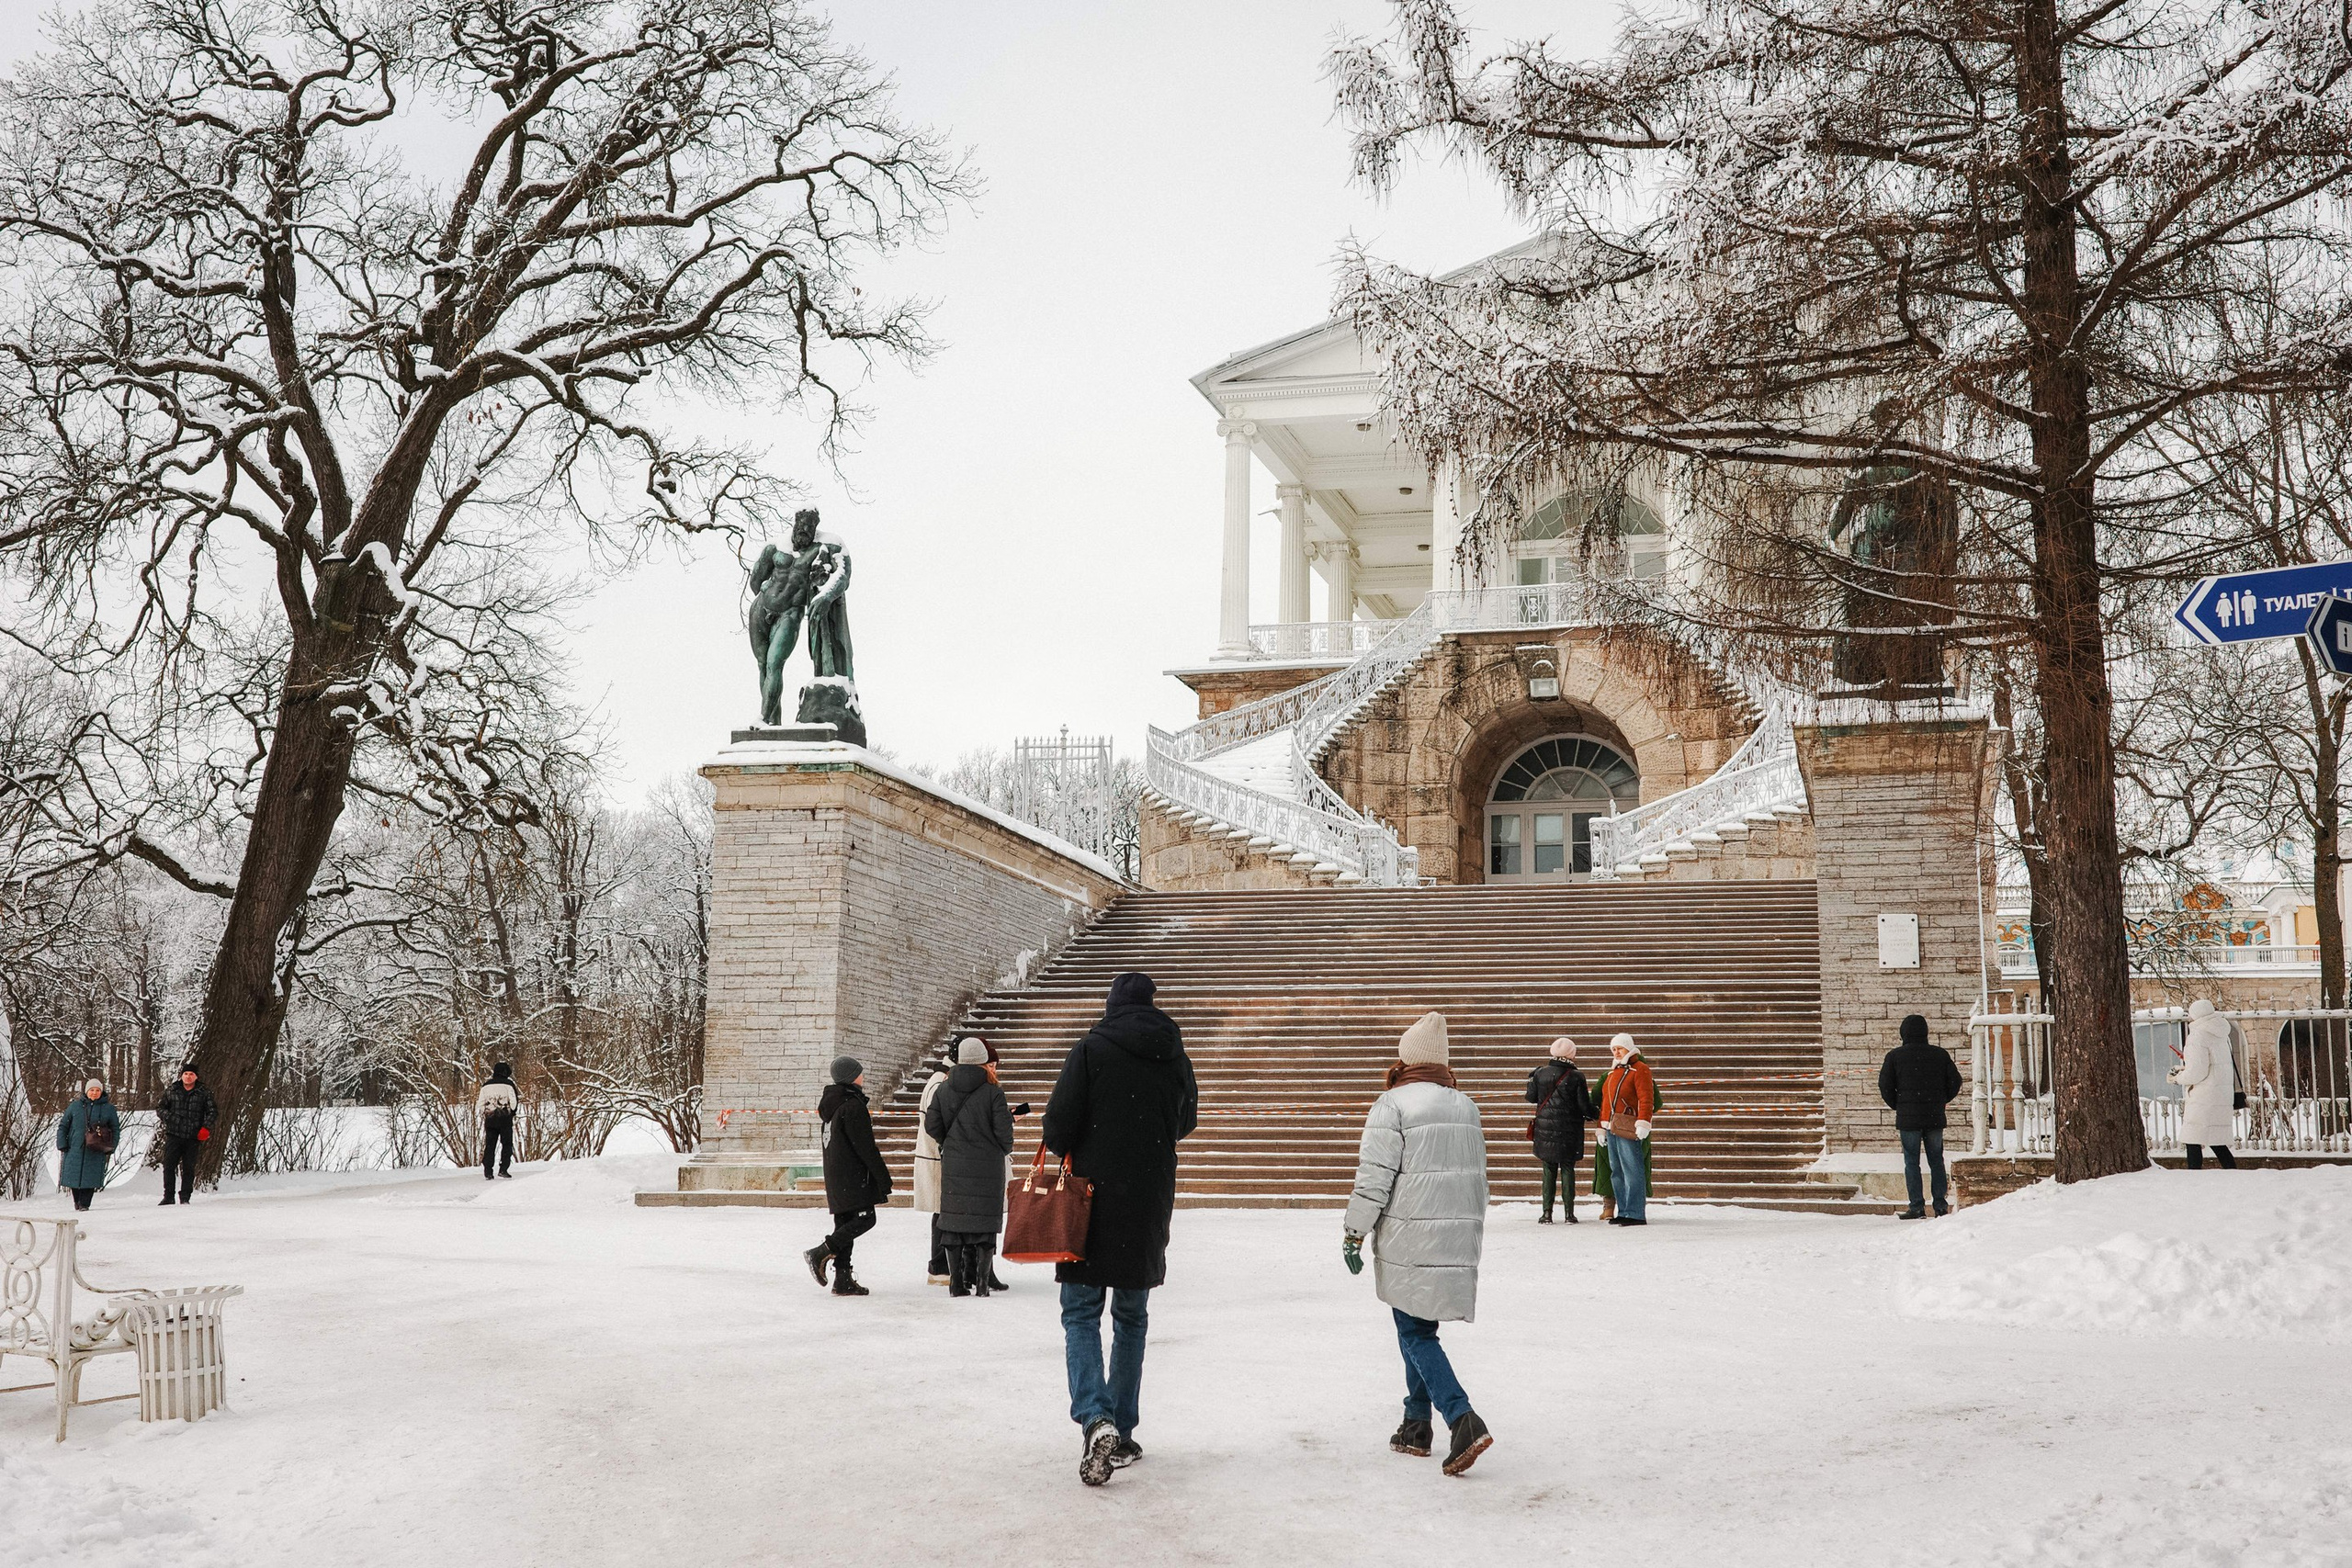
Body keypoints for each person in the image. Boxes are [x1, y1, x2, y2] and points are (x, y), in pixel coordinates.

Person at [1042, 971, 1198, 1487]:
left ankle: (1096, 1417)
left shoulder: (1091, 1050)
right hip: (1148, 1202)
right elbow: (1186, 1121)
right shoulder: (1174, 1056)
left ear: (1111, 1005)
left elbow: (1058, 1125)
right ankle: (1123, 1431)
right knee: (1131, 1317)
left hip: (1089, 1201)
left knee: (1081, 1313)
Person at [1344, 1010, 1494, 1476]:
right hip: (1454, 1234)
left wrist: (1354, 1231)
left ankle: (1461, 1416)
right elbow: (1480, 1179)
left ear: (1406, 1058)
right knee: (1419, 1328)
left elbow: (1375, 1177)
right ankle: (1415, 1423)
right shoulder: (1464, 1104)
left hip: (1410, 1234)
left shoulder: (1392, 1104)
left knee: (1413, 1331)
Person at [926, 1036, 1016, 1297]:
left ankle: (956, 1284)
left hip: (954, 1164)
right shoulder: (994, 1092)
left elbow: (932, 1125)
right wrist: (998, 1148)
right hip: (988, 1168)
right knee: (984, 1226)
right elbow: (1005, 1134)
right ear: (982, 1060)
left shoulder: (943, 1089)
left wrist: (949, 1142)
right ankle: (983, 1284)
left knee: (954, 1224)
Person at [805, 1056, 892, 1297]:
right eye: (860, 1072)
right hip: (854, 1177)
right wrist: (883, 1178)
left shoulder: (832, 1105)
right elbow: (866, 1147)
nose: (863, 1075)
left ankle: (842, 1279)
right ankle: (821, 1251)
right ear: (851, 1076)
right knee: (865, 1219)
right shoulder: (852, 1106)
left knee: (845, 1224)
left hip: (837, 1176)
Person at [1878, 1013, 1963, 1217]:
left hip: (1909, 1120)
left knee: (1911, 1162)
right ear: (1925, 1032)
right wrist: (1941, 1100)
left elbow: (1885, 1086)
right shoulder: (1940, 1055)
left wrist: (1899, 1105)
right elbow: (1955, 1082)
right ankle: (1940, 1205)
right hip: (1934, 1116)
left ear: (1903, 1033)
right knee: (1936, 1160)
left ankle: (1916, 1206)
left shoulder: (1894, 1057)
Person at [1523, 1036, 1593, 1224]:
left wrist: (1532, 1079)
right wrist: (1595, 1113)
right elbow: (1584, 1106)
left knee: (1548, 1169)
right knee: (1568, 1169)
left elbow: (1531, 1098)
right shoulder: (1577, 1076)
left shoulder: (1540, 1073)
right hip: (1569, 1129)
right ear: (1571, 1054)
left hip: (1545, 1128)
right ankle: (1569, 1214)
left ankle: (1547, 1213)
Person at [1593, 1034, 1657, 1226]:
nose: (1616, 1052)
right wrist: (1601, 1128)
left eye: (1619, 1048)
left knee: (1632, 1169)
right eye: (1613, 1049)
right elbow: (1605, 1103)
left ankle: (1635, 1212)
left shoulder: (1640, 1069)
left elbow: (1646, 1098)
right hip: (1612, 1126)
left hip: (1628, 1126)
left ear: (1629, 1048)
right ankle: (1624, 1210)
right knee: (1617, 1171)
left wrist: (1644, 1122)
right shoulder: (1613, 1073)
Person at [2172, 999, 2240, 1170]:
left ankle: (2194, 1175)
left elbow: (2197, 1072)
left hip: (2204, 1095)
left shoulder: (2197, 1036)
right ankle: (2232, 1171)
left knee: (2192, 1137)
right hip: (2220, 1092)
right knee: (2215, 1138)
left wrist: (2178, 1078)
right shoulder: (2222, 1034)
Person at [913, 1047, 954, 1284]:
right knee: (942, 1213)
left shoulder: (939, 1079)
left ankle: (941, 1266)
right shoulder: (940, 1083)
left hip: (936, 1155)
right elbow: (936, 1122)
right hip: (937, 1157)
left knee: (942, 1212)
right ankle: (939, 1267)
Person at [156, 1062, 216, 1205]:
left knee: (189, 1168)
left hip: (193, 1136)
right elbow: (160, 1108)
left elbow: (213, 1112)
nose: (188, 1077)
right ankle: (168, 1196)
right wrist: (171, 1118)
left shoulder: (204, 1092)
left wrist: (205, 1128)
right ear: (181, 1075)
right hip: (173, 1134)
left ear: (196, 1077)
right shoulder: (171, 1090)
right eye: (186, 1074)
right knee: (169, 1166)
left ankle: (185, 1197)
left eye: (191, 1074)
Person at [55, 1079, 120, 1212]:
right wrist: (62, 1143)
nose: (94, 1093)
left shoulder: (108, 1109)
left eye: (97, 1090)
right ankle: (77, 1202)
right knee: (73, 1176)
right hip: (74, 1147)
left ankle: (85, 1204)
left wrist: (111, 1145)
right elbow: (63, 1126)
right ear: (86, 1091)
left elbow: (115, 1128)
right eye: (92, 1090)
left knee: (91, 1176)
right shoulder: (75, 1106)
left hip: (96, 1148)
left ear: (101, 1092)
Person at [477, 1062, 519, 1180]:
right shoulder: (509, 1085)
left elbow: (480, 1104)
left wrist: (486, 1112)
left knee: (490, 1145)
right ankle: (503, 1169)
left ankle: (488, 1171)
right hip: (505, 1119)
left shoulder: (485, 1086)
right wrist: (512, 1112)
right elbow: (514, 1102)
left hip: (490, 1119)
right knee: (506, 1144)